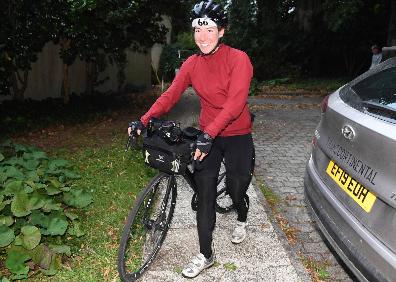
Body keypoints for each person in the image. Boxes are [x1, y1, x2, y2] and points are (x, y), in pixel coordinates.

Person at [128, 0, 255, 278]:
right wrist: (145, 118)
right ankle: (206, 254)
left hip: (236, 134)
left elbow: (235, 104)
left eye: (209, 29)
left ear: (221, 31)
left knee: (236, 189)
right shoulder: (192, 64)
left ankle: (243, 216)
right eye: (198, 30)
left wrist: (210, 133)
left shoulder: (238, 59)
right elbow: (171, 95)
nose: (202, 36)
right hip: (208, 134)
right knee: (205, 193)